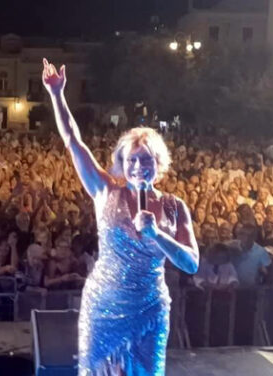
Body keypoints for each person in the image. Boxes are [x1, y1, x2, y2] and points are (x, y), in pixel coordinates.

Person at [42, 58, 199, 376]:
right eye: (132, 160)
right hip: (104, 305)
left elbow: (192, 264)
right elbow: (74, 141)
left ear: (158, 162)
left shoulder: (174, 206)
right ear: (121, 162)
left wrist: (157, 235)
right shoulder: (105, 191)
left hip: (149, 308)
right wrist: (57, 95)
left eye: (146, 159)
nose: (139, 166)